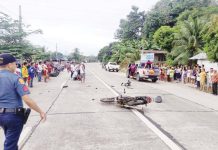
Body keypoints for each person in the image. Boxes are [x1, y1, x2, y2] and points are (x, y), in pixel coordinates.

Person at [0, 53, 46, 150]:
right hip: (12, 116)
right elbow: (27, 100)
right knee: (10, 145)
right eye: (15, 64)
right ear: (9, 65)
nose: (16, 66)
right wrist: (40, 111)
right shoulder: (15, 78)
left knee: (9, 140)